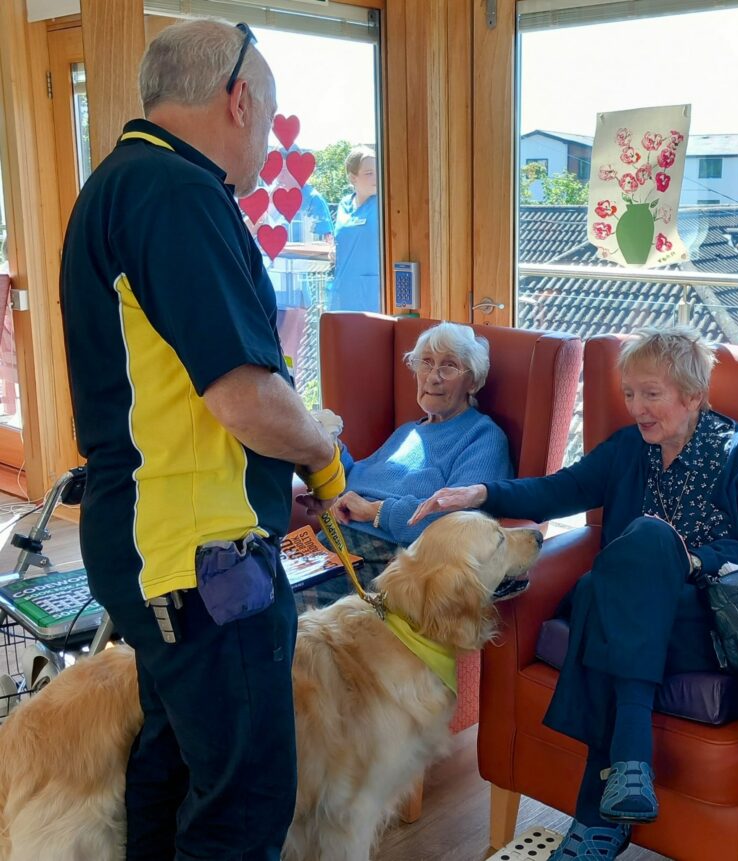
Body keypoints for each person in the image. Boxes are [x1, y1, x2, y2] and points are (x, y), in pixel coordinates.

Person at [59, 20, 342, 861]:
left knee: (174, 766)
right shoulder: (180, 193)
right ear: (240, 98)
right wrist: (323, 456)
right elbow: (245, 395)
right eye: (270, 109)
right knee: (245, 801)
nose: (264, 131)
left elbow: (172, 390)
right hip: (201, 561)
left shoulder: (115, 182)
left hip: (145, 543)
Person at [410, 326, 738, 860]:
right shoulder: (628, 449)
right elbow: (559, 489)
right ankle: (626, 772)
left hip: (704, 622)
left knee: (637, 550)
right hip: (631, 618)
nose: (636, 408)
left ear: (692, 394)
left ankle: (597, 815)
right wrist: (482, 492)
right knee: (613, 588)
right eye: (629, 393)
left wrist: (687, 560)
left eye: (651, 394)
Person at [298, 321, 513, 610]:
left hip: (389, 556)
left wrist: (376, 512)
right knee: (252, 590)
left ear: (472, 382)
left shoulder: (483, 438)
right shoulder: (410, 431)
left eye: (448, 366)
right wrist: (328, 447)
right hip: (335, 540)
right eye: (425, 363)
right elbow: (359, 478)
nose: (432, 377)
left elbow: (459, 523)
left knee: (283, 613)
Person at [328, 145, 380, 312]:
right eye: (369, 173)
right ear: (353, 178)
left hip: (373, 295)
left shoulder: (384, 206)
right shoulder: (344, 205)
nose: (376, 177)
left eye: (378, 170)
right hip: (344, 291)